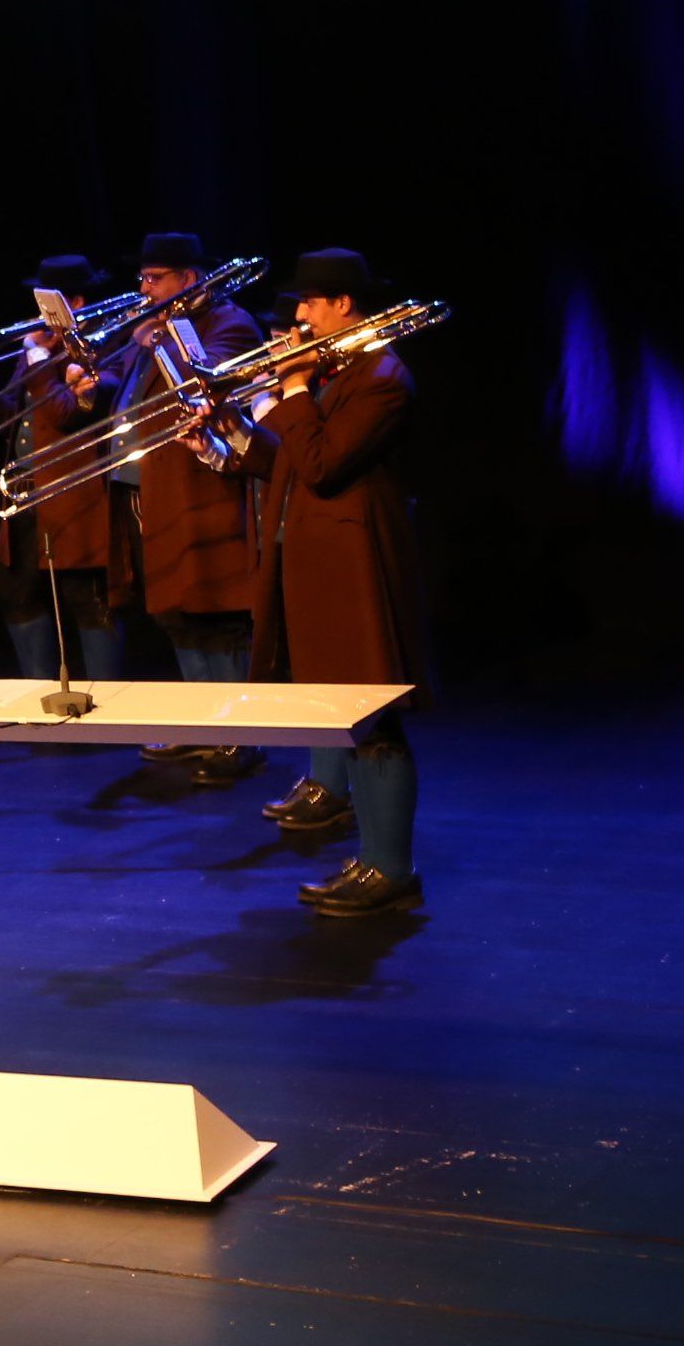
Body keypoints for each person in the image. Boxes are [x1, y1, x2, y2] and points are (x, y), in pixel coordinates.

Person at [221, 250, 428, 916]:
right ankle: (373, 858)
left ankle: (391, 870)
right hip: (317, 561)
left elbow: (322, 464)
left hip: (358, 565)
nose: (298, 317)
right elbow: (292, 463)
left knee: (373, 719)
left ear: (342, 304)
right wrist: (230, 437)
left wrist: (292, 389)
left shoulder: (383, 376)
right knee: (346, 716)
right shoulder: (339, 372)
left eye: (308, 303)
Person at [91, 234, 269, 785]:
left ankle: (240, 734)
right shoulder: (158, 326)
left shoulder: (230, 323)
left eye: (155, 278)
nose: (143, 289)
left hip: (203, 494)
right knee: (177, 613)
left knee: (215, 616)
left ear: (188, 280)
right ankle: (201, 721)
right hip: (151, 489)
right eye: (142, 278)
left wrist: (160, 337)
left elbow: (204, 384)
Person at [0, 257, 134, 688]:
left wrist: (37, 357)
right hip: (24, 495)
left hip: (75, 499)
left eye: (46, 305)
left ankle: (106, 700)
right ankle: (39, 696)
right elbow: (13, 418)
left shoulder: (104, 347)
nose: (38, 316)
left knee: (87, 599)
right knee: (16, 592)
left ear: (76, 303)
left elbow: (65, 413)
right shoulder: (40, 351)